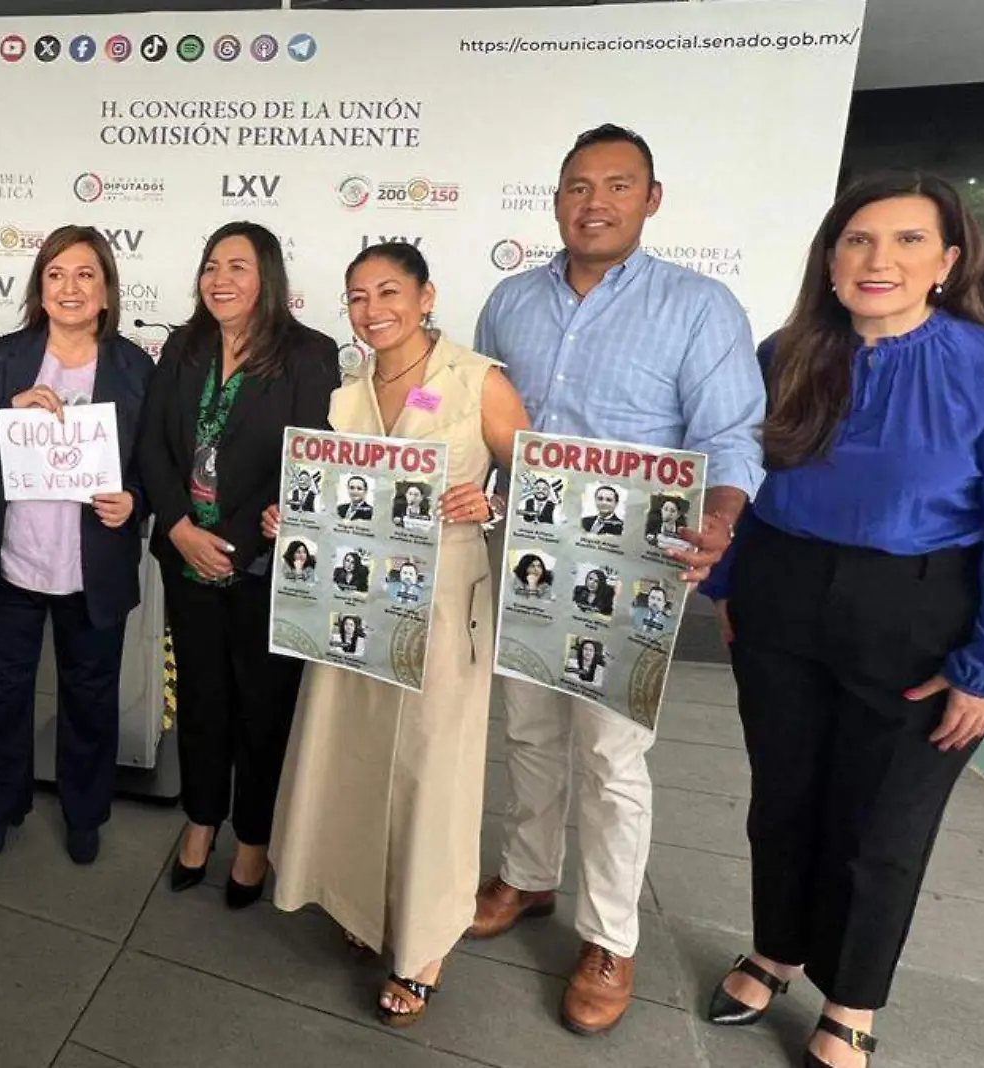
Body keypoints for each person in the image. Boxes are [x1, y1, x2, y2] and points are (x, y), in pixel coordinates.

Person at [698, 173, 984, 1068]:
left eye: (905, 241)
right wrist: (734, 588)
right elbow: (751, 480)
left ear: (947, 260)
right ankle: (776, 949)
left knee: (882, 825)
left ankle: (852, 999)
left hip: (919, 612)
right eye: (857, 240)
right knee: (783, 800)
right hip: (781, 597)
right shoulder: (786, 351)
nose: (878, 260)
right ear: (829, 259)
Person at [469, 124, 765, 1034]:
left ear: (652, 198)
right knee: (524, 731)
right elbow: (480, 424)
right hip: (522, 546)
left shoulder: (699, 306)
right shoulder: (509, 302)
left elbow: (730, 440)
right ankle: (526, 875)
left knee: (609, 755)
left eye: (616, 186)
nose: (593, 203)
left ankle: (609, 937)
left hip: (632, 560)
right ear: (556, 198)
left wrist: (718, 518)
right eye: (576, 186)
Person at [266, 240, 530, 1026]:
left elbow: (544, 486)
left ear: (426, 297)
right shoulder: (348, 396)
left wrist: (496, 507)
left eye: (388, 292)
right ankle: (361, 901)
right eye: (356, 297)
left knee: (431, 766)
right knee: (353, 750)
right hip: (354, 601)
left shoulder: (478, 379)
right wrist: (296, 518)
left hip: (446, 594)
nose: (372, 310)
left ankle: (423, 944)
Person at [137, 220, 339, 908]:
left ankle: (253, 839)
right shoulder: (183, 347)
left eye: (238, 267)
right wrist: (178, 527)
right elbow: (152, 448)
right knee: (198, 696)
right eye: (211, 264)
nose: (220, 278)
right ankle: (200, 821)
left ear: (269, 278)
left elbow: (311, 461)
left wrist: (240, 547)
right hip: (185, 555)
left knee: (263, 704)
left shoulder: (309, 355)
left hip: (263, 566)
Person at [0, 225, 154, 865]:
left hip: (91, 565)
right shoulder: (6, 357)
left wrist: (137, 501)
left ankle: (84, 811)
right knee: (3, 694)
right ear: (40, 289)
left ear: (105, 292)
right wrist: (11, 412)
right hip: (14, 561)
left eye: (85, 275)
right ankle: (0, 808)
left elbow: (155, 462)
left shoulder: (133, 366)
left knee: (90, 695)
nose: (70, 287)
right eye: (56, 274)